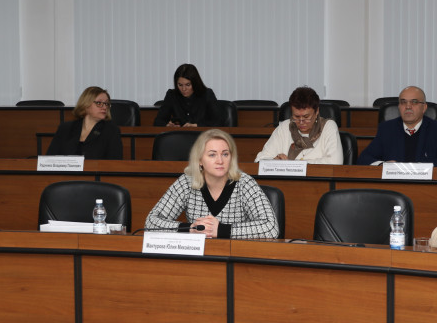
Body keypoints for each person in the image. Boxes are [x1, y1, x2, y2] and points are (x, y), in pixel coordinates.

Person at [146, 129, 278, 239]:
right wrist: (190, 228)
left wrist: (221, 230)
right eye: (212, 155)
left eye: (225, 154)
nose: (220, 161)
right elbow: (151, 222)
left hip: (235, 255)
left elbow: (271, 227)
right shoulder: (187, 182)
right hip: (197, 255)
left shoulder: (245, 183)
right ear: (200, 160)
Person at [357, 86, 437, 167]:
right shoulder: (387, 129)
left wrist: (420, 168)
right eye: (403, 102)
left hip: (426, 184)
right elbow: (364, 159)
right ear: (399, 107)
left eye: (414, 102)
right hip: (393, 184)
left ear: (424, 108)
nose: (408, 106)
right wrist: (383, 165)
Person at [254, 86, 342, 164]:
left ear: (316, 112)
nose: (301, 121)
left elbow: (335, 162)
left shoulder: (328, 127)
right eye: (296, 116)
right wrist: (274, 161)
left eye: (306, 117)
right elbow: (259, 160)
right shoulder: (284, 127)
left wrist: (293, 164)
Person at [46, 86, 122, 159]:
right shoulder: (65, 128)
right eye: (99, 103)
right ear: (86, 104)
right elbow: (50, 159)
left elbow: (114, 164)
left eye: (106, 104)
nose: (104, 107)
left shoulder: (111, 131)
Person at [153, 63, 221, 127]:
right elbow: (158, 121)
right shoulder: (172, 95)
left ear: (195, 83)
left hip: (202, 134)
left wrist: (197, 125)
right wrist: (167, 125)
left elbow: (218, 121)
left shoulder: (207, 94)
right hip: (179, 134)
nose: (184, 89)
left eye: (188, 85)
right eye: (180, 85)